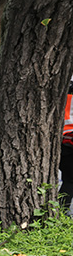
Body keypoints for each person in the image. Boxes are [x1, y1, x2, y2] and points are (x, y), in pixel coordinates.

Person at [59, 81, 73, 213]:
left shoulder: (62, 94)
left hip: (62, 139)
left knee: (68, 180)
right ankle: (61, 211)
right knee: (70, 180)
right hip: (70, 139)